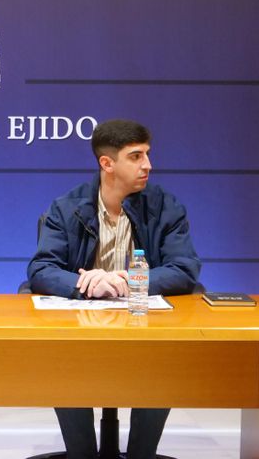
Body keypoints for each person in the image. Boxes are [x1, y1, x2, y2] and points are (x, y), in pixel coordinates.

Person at [27, 119, 201, 459]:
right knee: (62, 358)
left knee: (163, 361)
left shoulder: (166, 206)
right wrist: (85, 281)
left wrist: (127, 279)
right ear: (107, 164)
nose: (148, 165)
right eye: (136, 156)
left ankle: (141, 455)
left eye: (147, 154)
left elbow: (184, 268)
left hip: (145, 325)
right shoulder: (67, 207)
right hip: (80, 326)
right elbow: (41, 268)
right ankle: (82, 455)